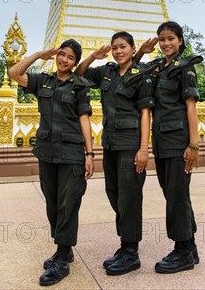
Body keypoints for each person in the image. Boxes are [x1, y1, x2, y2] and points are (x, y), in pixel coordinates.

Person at [9, 39, 94, 287]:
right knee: (53, 203)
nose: (64, 60)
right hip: (47, 151)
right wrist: (38, 55)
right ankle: (64, 249)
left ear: (76, 62)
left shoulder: (80, 85)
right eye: (62, 55)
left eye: (70, 57)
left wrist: (89, 154)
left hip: (71, 152)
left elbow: (84, 119)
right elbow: (14, 72)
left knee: (69, 203)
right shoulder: (42, 81)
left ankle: (62, 257)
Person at [75, 31, 154, 276]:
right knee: (115, 195)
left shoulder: (141, 75)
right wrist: (93, 56)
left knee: (130, 198)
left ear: (133, 49)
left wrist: (143, 148)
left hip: (131, 144)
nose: (118, 51)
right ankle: (124, 244)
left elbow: (145, 113)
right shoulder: (106, 71)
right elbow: (78, 75)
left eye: (123, 47)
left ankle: (132, 253)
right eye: (115, 47)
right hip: (110, 143)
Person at [135, 22, 203, 274]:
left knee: (176, 197)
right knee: (175, 195)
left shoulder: (185, 68)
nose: (165, 43)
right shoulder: (157, 68)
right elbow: (134, 69)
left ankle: (182, 251)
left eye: (171, 38)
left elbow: (191, 107)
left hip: (178, 142)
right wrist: (141, 50)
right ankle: (190, 247)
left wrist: (193, 145)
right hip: (161, 142)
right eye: (162, 39)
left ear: (180, 40)